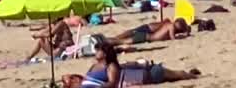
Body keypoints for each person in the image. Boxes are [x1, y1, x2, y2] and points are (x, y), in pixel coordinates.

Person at [66, 41, 201, 87]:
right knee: (172, 75)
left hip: (147, 75)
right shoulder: (94, 66)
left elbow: (113, 83)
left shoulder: (110, 66)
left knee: (177, 75)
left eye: (98, 51)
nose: (96, 53)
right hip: (142, 74)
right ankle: (191, 74)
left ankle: (194, 76)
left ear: (105, 54)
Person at [109, 18, 190, 46]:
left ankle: (110, 40)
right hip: (147, 32)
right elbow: (173, 39)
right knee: (123, 40)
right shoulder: (170, 25)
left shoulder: (169, 24)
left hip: (148, 33)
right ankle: (109, 40)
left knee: (126, 37)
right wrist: (184, 36)